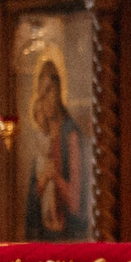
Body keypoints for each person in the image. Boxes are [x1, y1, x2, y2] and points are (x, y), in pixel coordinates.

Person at [22, 58, 88, 241]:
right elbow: (31, 201)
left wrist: (55, 178)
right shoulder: (42, 139)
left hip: (68, 237)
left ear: (59, 90)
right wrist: (43, 180)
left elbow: (76, 203)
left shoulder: (71, 135)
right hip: (43, 236)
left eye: (49, 90)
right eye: (41, 94)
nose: (45, 99)